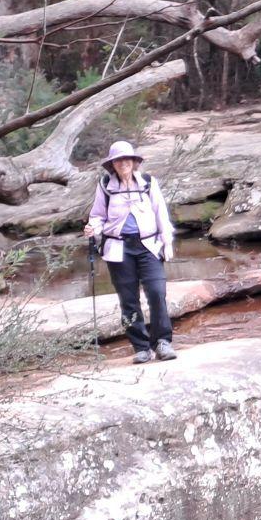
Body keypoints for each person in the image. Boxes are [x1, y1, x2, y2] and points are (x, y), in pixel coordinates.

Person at [83, 141, 178, 363]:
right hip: (118, 249)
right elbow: (98, 215)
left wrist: (168, 242)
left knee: (156, 292)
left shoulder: (147, 183)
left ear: (134, 162)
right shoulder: (106, 185)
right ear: (112, 164)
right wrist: (93, 227)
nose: (123, 163)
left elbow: (161, 214)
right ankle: (141, 347)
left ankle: (162, 342)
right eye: (118, 160)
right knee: (128, 300)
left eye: (127, 159)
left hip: (148, 246)